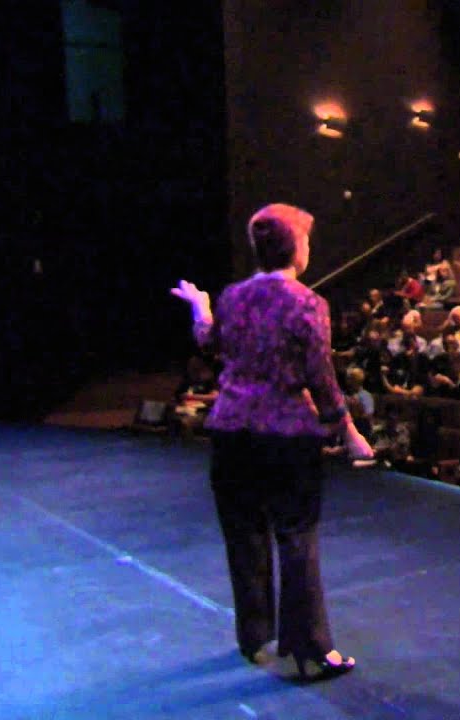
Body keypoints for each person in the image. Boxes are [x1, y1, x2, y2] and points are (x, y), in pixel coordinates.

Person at [170, 203, 364, 680]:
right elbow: (321, 378)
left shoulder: (233, 297)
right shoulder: (307, 303)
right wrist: (350, 432)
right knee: (296, 537)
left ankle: (256, 638)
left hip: (231, 433)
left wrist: (201, 307)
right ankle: (310, 649)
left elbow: (209, 341)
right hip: (286, 437)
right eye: (306, 240)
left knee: (245, 535)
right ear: (294, 247)